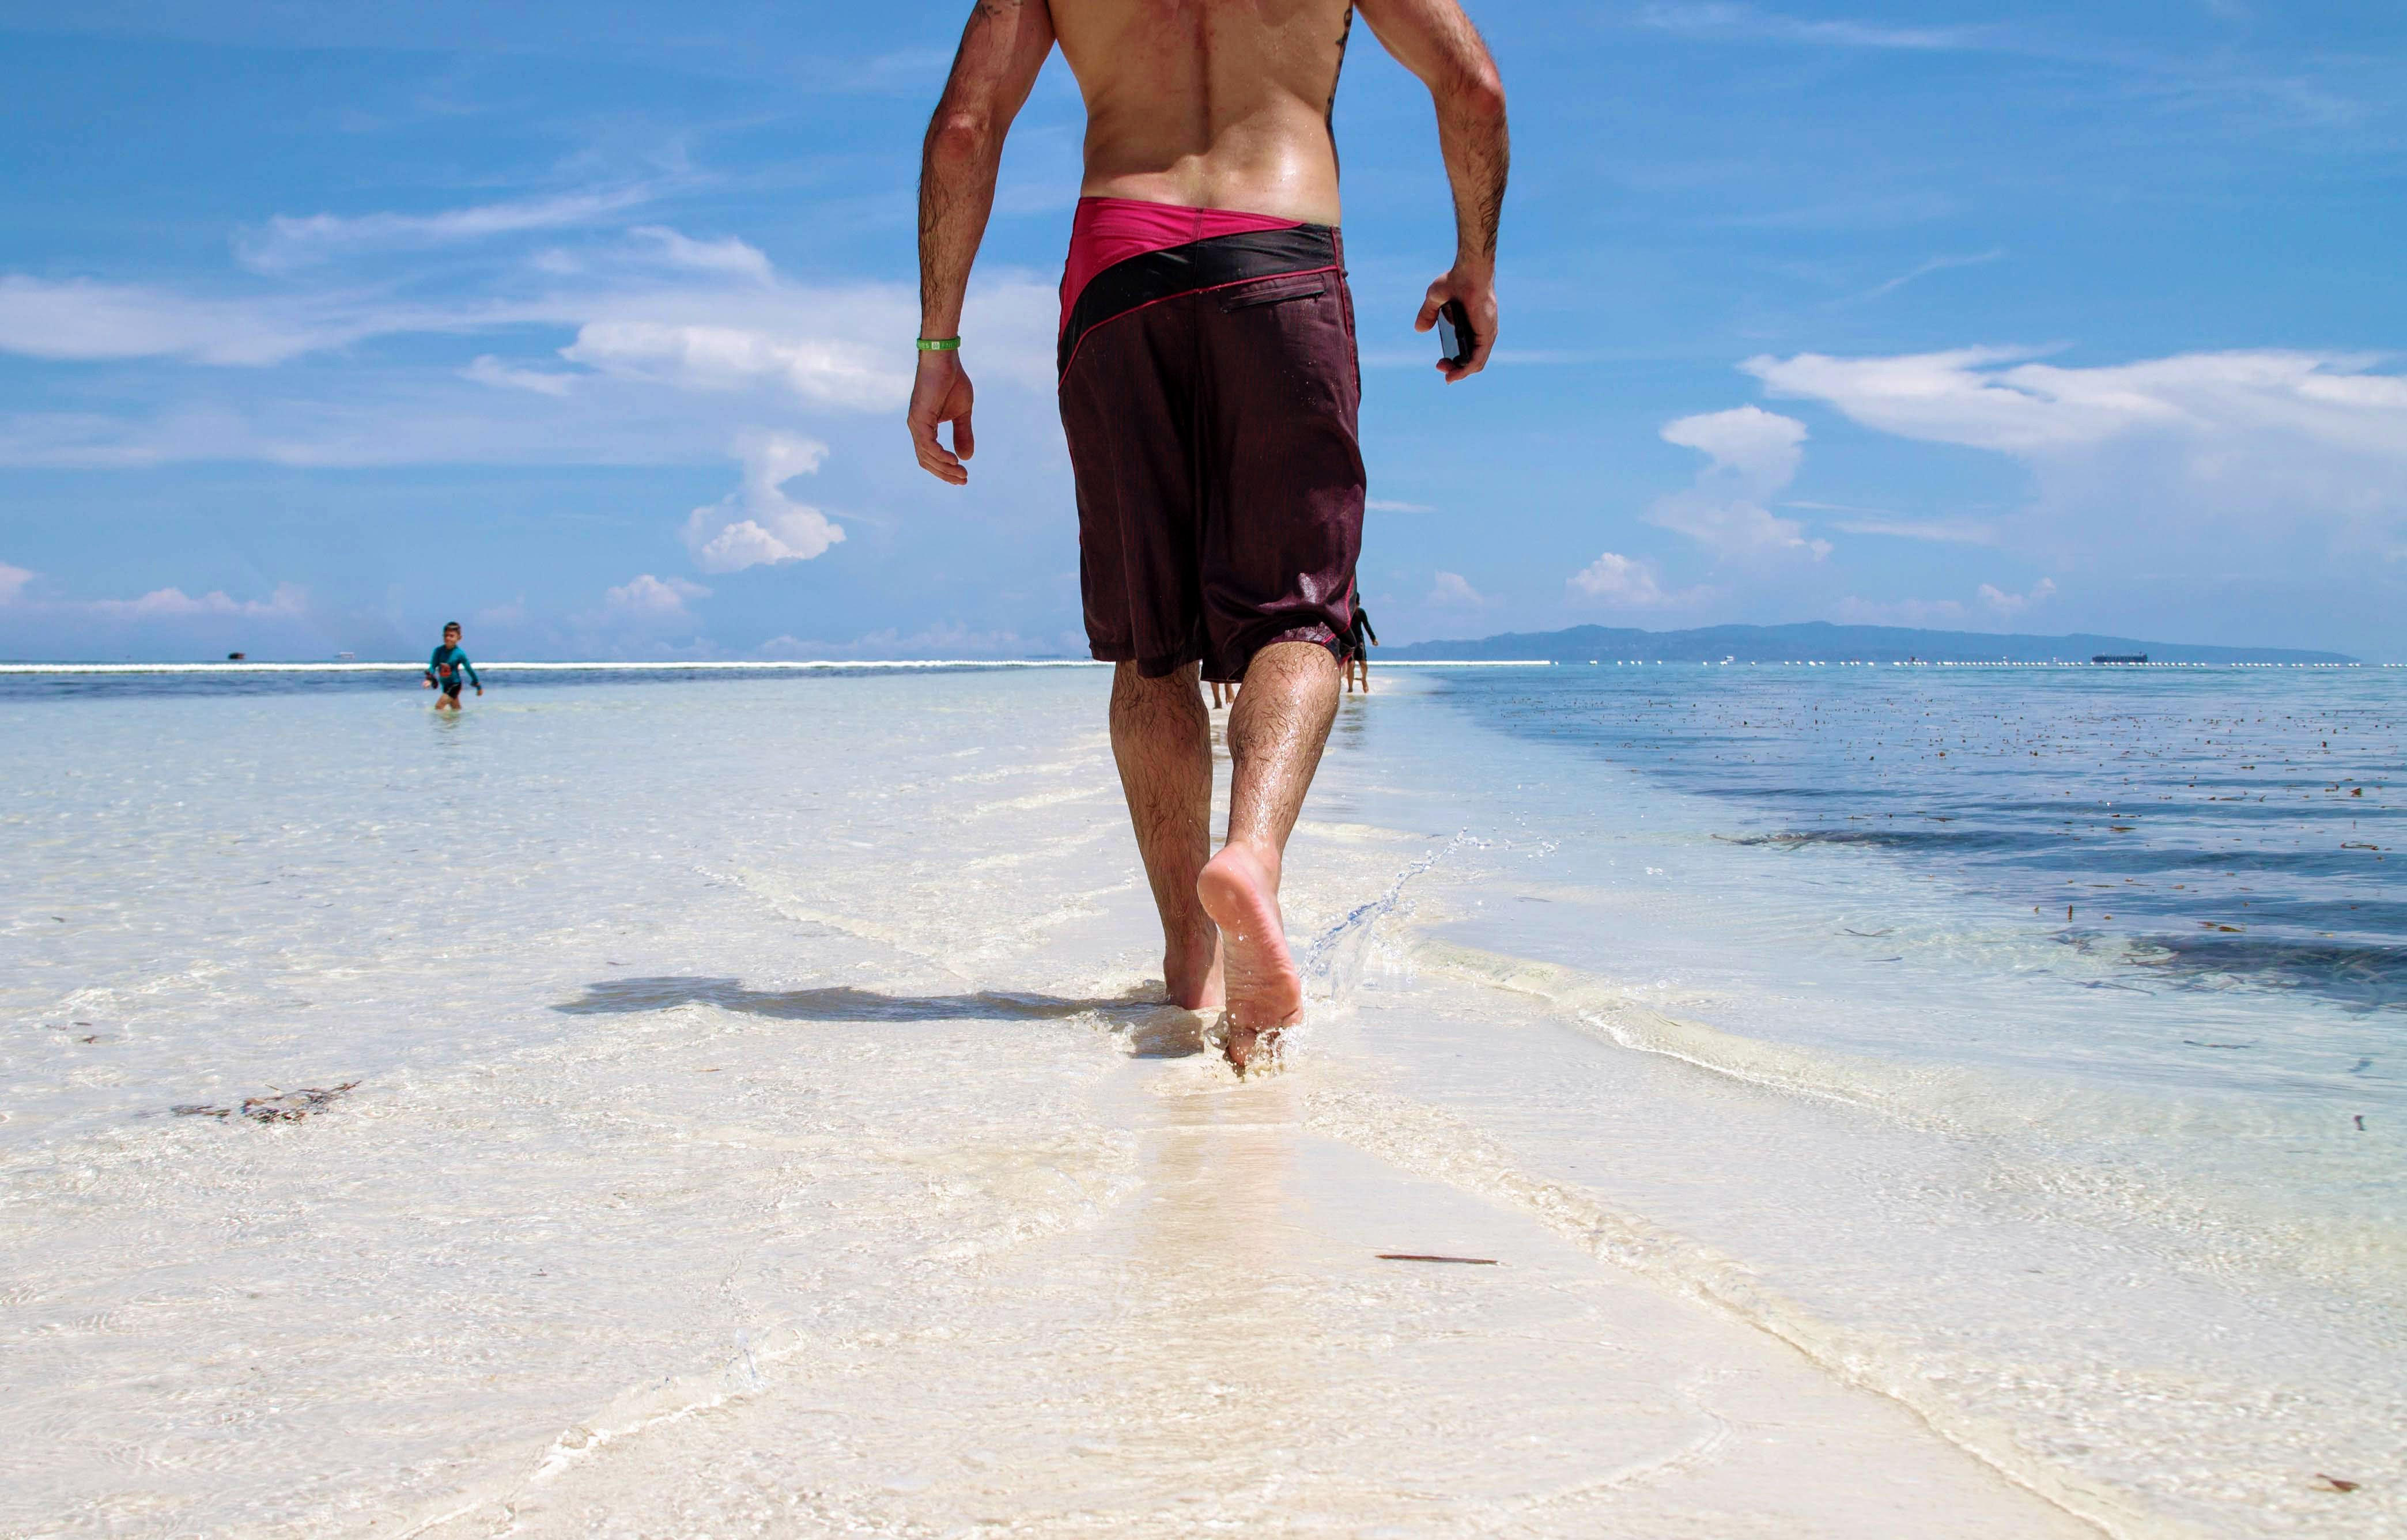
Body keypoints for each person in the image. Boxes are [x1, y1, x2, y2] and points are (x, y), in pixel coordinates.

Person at [908, 0, 1506, 1070]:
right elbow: (1472, 88)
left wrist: (939, 341)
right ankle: (1252, 858)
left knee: (1153, 642)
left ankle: (1190, 962)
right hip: (1279, 257)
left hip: (1115, 274)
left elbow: (964, 128)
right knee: (1301, 613)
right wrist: (1474, 265)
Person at [422, 622, 482, 711]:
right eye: (446, 635)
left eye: (451, 636)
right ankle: (460, 724)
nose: (448, 638)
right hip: (445, 685)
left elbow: (469, 669)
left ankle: (439, 725)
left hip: (455, 685)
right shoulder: (438, 651)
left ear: (459, 638)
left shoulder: (460, 654)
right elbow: (433, 667)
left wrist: (478, 686)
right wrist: (429, 679)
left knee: (439, 706)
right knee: (456, 710)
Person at [1344, 606, 1378, 694]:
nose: (1354, 607)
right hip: (1348, 640)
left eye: (1355, 604)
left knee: (1363, 664)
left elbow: (1367, 625)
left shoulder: (1361, 612)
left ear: (1358, 604)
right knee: (1351, 665)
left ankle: (1364, 679)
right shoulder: (1346, 611)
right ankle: (1350, 688)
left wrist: (1373, 638)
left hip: (1359, 640)